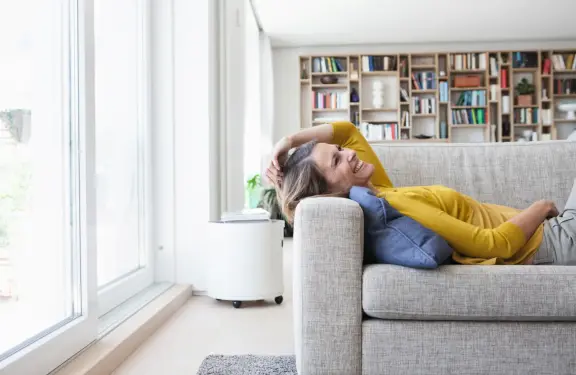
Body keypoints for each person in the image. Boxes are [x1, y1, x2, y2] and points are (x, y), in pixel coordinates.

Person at [266, 121, 576, 266]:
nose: (347, 153)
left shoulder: (379, 189)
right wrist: (543, 205)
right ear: (327, 194)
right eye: (336, 160)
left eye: (338, 151)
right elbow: (496, 244)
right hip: (553, 243)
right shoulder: (394, 204)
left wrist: (288, 140)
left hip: (551, 236)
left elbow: (347, 131)